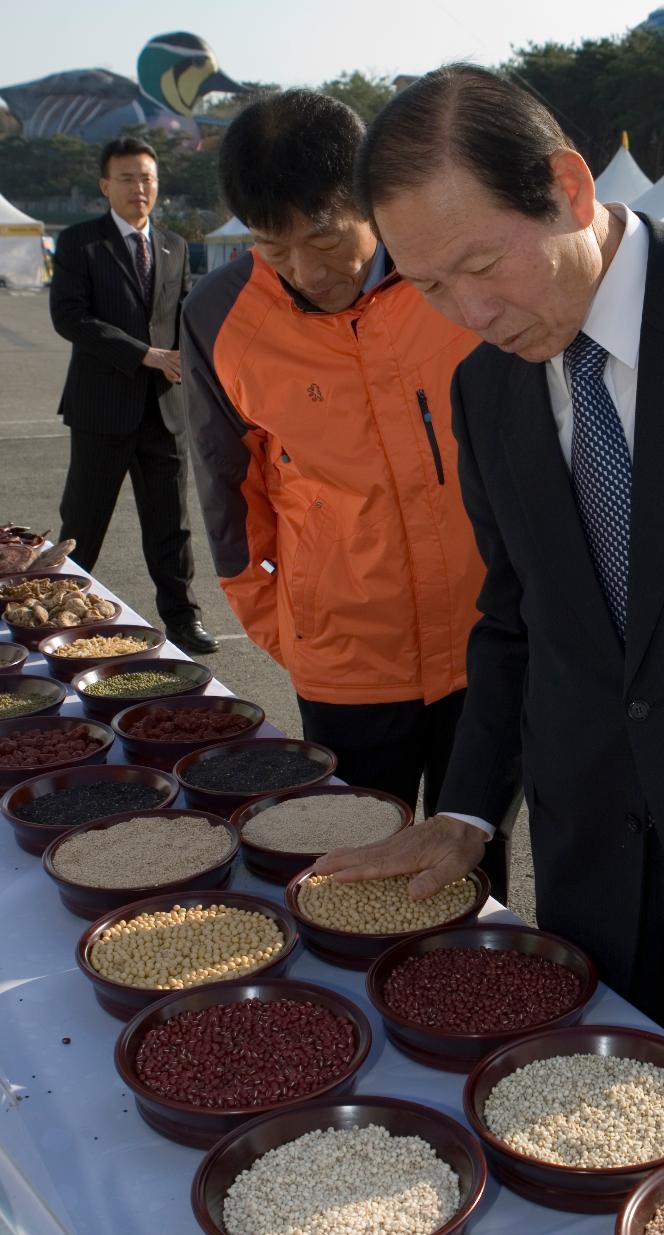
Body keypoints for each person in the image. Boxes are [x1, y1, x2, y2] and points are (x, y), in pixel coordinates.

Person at [316, 65, 664, 1157]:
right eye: (425, 285)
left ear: (567, 186)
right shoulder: (486, 387)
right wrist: (465, 812)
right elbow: (518, 620)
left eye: (478, 263)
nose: (468, 312)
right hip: (600, 898)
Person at [181, 91, 515, 900]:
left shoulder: (453, 281)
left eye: (323, 238)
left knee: (476, 854)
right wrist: (290, 627)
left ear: (366, 196)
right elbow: (228, 494)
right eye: (273, 248)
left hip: (490, 637)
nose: (306, 272)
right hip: (345, 657)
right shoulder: (218, 314)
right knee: (357, 863)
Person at [49, 137, 217, 654]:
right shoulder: (81, 242)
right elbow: (71, 317)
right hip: (102, 407)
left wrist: (194, 357)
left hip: (165, 411)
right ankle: (57, 610)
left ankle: (183, 619)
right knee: (84, 519)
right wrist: (145, 353)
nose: (138, 188)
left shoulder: (173, 245)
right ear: (105, 186)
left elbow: (185, 313)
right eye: (126, 178)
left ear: (157, 185)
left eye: (146, 178)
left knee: (172, 524)